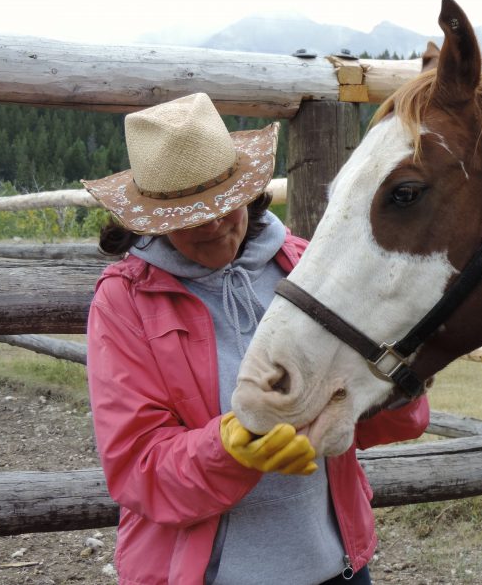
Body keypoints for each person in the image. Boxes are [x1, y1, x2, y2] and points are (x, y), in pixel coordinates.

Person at [82, 92, 430, 585]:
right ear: (155, 220)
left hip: (337, 568)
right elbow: (136, 466)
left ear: (247, 190)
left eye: (224, 203)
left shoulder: (305, 264)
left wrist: (397, 384)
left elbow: (372, 421)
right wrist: (227, 450)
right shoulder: (125, 303)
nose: (216, 223)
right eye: (189, 215)